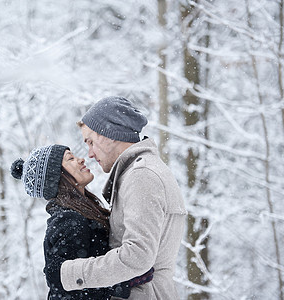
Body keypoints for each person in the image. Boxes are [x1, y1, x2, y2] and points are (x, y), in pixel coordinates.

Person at [60, 96, 187, 299]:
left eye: (91, 142)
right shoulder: (142, 171)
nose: (90, 153)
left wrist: (69, 273)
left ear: (110, 134)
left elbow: (137, 256)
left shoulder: (141, 175)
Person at [10, 144, 154, 299]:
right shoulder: (69, 221)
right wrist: (126, 281)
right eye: (70, 159)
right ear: (57, 176)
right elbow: (70, 288)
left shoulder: (82, 213)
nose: (81, 160)